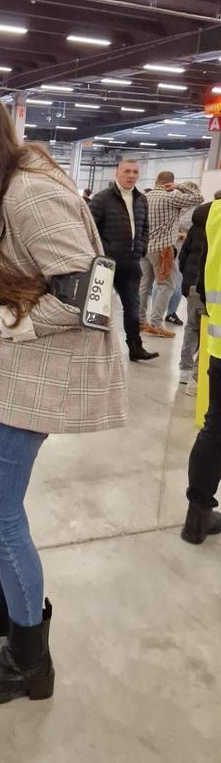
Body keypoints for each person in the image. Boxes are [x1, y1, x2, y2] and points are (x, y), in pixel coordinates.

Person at [0, 84, 127, 706]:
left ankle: (29, 660)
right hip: (10, 361)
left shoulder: (30, 195)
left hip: (33, 368)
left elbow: (89, 301)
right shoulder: (1, 191)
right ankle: (4, 609)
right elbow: (18, 274)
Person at [181, 196, 221, 545]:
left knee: (215, 427)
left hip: (219, 343)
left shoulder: (212, 213)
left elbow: (195, 265)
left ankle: (197, 518)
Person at [89, 159, 157, 362]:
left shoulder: (141, 200)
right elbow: (90, 230)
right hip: (106, 265)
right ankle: (95, 351)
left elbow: (145, 227)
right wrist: (106, 251)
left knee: (133, 308)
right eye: (127, 171)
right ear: (116, 173)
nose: (131, 175)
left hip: (131, 264)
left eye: (135, 172)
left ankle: (135, 347)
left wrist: (142, 247)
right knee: (98, 310)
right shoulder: (102, 199)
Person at [139, 171, 203, 338]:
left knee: (144, 285)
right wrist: (179, 187)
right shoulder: (171, 197)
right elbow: (198, 198)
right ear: (171, 183)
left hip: (144, 248)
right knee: (166, 286)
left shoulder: (145, 197)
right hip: (162, 250)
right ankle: (156, 324)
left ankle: (139, 321)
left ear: (156, 181)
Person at [178, 202, 211, 397]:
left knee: (192, 326)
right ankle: (197, 377)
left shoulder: (195, 227)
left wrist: (186, 280)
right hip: (209, 284)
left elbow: (183, 255)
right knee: (210, 332)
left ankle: (185, 368)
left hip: (193, 284)